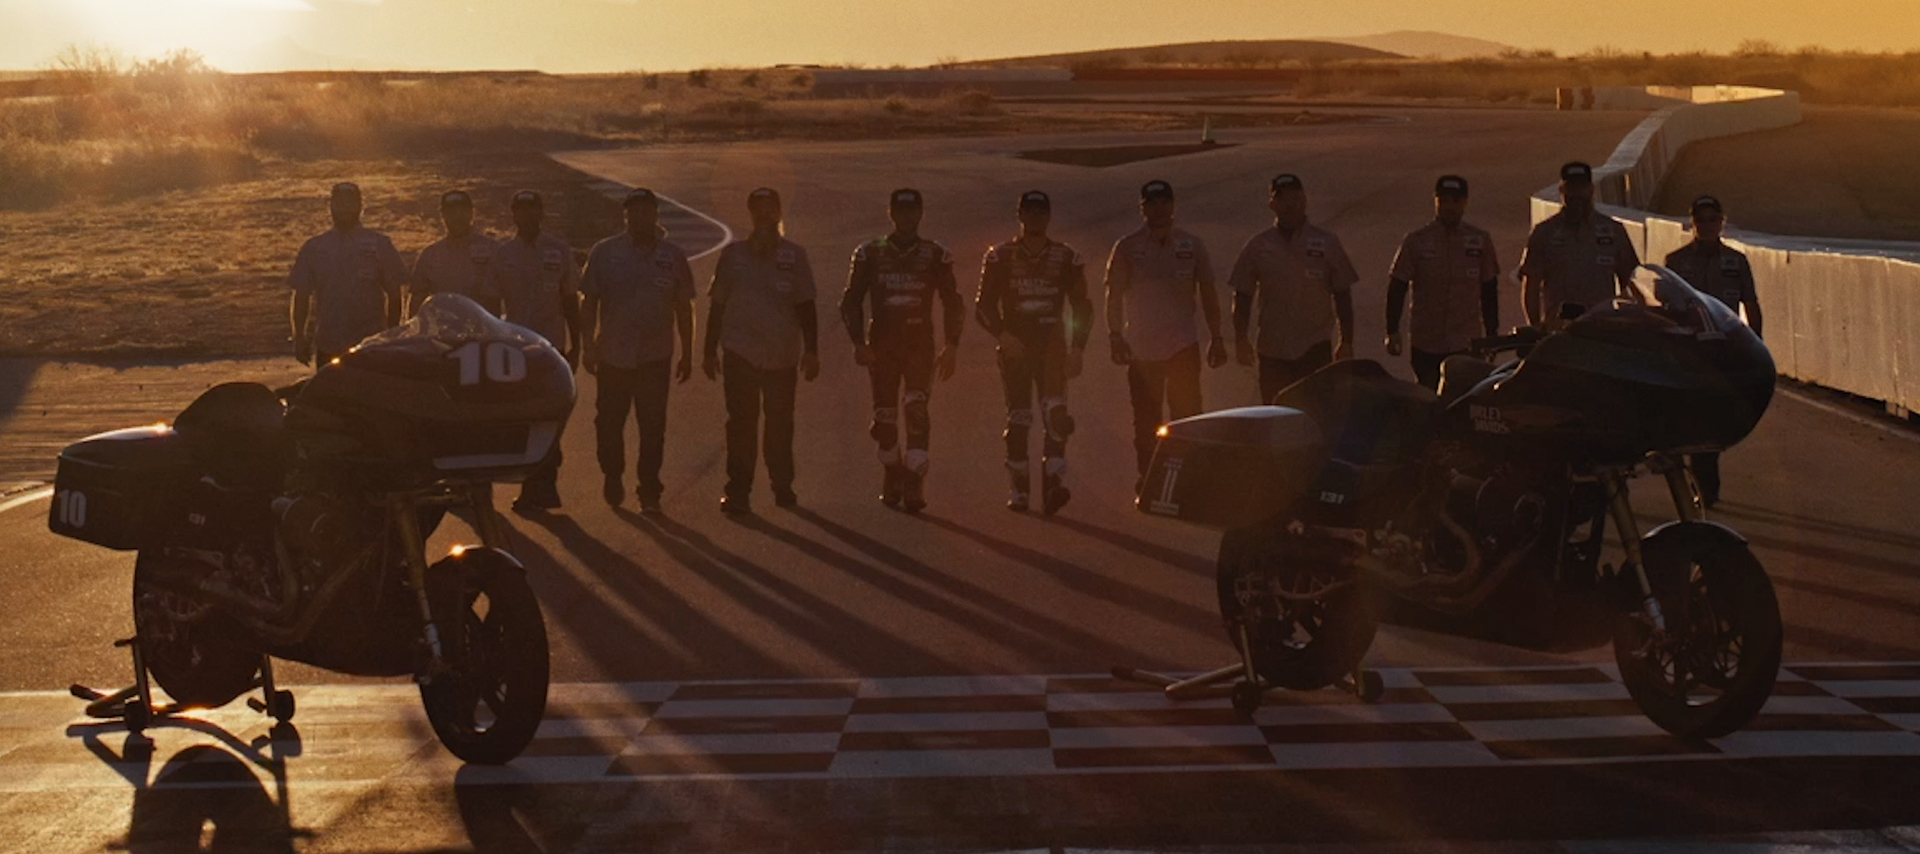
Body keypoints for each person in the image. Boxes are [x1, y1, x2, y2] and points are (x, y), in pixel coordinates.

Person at [840, 188, 964, 513]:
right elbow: (850, 301)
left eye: (912, 212)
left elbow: (953, 302)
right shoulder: (869, 252)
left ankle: (913, 483)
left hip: (920, 344)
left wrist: (952, 345)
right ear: (890, 214)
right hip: (881, 345)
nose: (907, 218)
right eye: (901, 211)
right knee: (884, 420)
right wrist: (858, 344)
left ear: (921, 214)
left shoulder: (936, 254)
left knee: (916, 409)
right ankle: (892, 471)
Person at [702, 187, 821, 515]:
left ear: (780, 213)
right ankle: (738, 490)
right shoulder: (733, 255)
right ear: (750, 214)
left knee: (780, 423)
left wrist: (812, 351)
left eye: (771, 209)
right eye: (759, 210)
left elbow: (806, 306)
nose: (765, 215)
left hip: (782, 354)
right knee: (741, 424)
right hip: (740, 351)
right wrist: (708, 351)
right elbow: (717, 305)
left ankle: (783, 485)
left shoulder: (795, 256)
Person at [976, 190, 1092, 515]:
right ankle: (1019, 488)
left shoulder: (1067, 257)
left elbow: (1083, 307)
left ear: (1049, 216)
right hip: (1015, 351)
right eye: (1031, 211)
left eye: (1042, 212)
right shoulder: (1000, 256)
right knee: (1019, 418)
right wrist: (1002, 334)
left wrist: (1078, 349)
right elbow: (982, 306)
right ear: (1020, 215)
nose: (1037, 217)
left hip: (1053, 349)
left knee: (1056, 415)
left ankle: (1054, 485)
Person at [581, 188, 697, 514]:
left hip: (654, 356)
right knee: (608, 424)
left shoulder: (672, 256)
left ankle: (649, 490)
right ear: (626, 216)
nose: (640, 218)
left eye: (646, 212)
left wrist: (688, 353)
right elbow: (589, 301)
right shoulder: (604, 252)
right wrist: (588, 345)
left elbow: (684, 308)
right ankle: (613, 474)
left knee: (652, 427)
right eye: (634, 212)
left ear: (655, 215)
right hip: (613, 355)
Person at [1104, 179, 1225, 488]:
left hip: (1183, 344)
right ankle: (1149, 477)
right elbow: (1114, 295)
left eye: (1164, 203)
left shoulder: (1192, 245)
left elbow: (1209, 292)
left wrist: (1217, 336)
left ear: (1173, 206)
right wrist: (1115, 336)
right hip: (1142, 348)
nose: (1158, 209)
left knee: (1188, 416)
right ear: (1142, 208)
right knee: (1146, 419)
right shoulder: (1127, 247)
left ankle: (1191, 477)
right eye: (1151, 203)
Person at [1663, 194, 1764, 510]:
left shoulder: (1737, 261)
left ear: (1722, 221)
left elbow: (1751, 305)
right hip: (1689, 352)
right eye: (1700, 220)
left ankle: (1707, 485)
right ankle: (1700, 485)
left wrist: (1756, 346)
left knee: (1717, 419)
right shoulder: (1675, 262)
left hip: (1724, 352)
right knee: (1693, 419)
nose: (1706, 225)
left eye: (1712, 219)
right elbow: (1664, 308)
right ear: (1692, 223)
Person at [486, 190, 582, 514]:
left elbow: (570, 299)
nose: (527, 216)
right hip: (515, 352)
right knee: (523, 421)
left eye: (533, 210)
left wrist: (577, 344)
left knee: (550, 419)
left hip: (551, 349)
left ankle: (544, 486)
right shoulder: (503, 255)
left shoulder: (559, 250)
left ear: (542, 213)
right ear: (514, 215)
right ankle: (532, 486)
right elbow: (491, 305)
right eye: (521, 211)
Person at [1227, 174, 1359, 404]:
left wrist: (1346, 341)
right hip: (1272, 350)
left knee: (1316, 415)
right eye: (1283, 200)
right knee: (1275, 415)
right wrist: (1240, 338)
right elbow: (1243, 294)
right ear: (1272, 205)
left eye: (1296, 199)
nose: (1290, 205)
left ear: (1305, 201)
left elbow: (1342, 293)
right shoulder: (1258, 246)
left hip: (1314, 347)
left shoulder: (1327, 242)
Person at [1384, 175, 1503, 389]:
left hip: (1465, 342)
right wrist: (1392, 329)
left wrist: (1492, 334)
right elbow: (1397, 286)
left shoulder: (1480, 240)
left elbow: (1489, 289)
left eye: (1455, 201)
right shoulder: (1416, 240)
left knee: (1464, 402)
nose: (1449, 207)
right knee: (1428, 402)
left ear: (1465, 203)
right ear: (1436, 201)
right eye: (1444, 201)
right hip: (1426, 342)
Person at [288, 182, 407, 368]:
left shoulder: (380, 244)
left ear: (360, 206)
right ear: (331, 206)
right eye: (340, 203)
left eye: (350, 203)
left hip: (371, 345)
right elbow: (301, 295)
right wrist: (299, 337)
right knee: (332, 396)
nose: (345, 209)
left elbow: (394, 293)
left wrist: (391, 335)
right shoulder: (315, 247)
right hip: (329, 343)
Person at [1519, 161, 1640, 330]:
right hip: (1559, 333)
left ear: (1591, 189)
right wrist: (1535, 327)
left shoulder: (1614, 231)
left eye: (1581, 188)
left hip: (1602, 331)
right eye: (1571, 188)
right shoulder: (1544, 233)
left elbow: (1632, 284)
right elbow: (1531, 286)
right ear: (1561, 190)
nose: (1577, 194)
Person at [407, 189, 499, 318]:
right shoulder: (430, 255)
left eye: (462, 211)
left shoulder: (493, 250)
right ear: (443, 216)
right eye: (451, 212)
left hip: (484, 333)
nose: (457, 217)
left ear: (472, 213)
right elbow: (416, 303)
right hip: (442, 333)